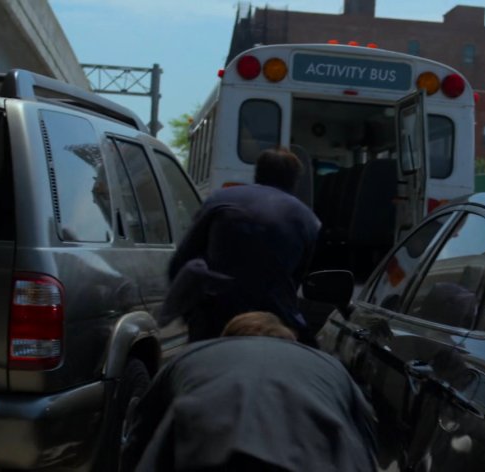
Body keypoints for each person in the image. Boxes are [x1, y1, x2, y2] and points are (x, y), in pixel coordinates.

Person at [120, 311, 376, 472]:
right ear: (289, 341)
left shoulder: (191, 357)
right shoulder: (328, 365)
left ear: (226, 339)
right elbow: (366, 435)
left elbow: (140, 435)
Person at [167, 147, 321, 343]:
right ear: (294, 181)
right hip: (275, 319)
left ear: (257, 173)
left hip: (214, 313)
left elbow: (182, 258)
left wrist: (187, 312)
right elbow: (297, 278)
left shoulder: (219, 199)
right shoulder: (308, 219)